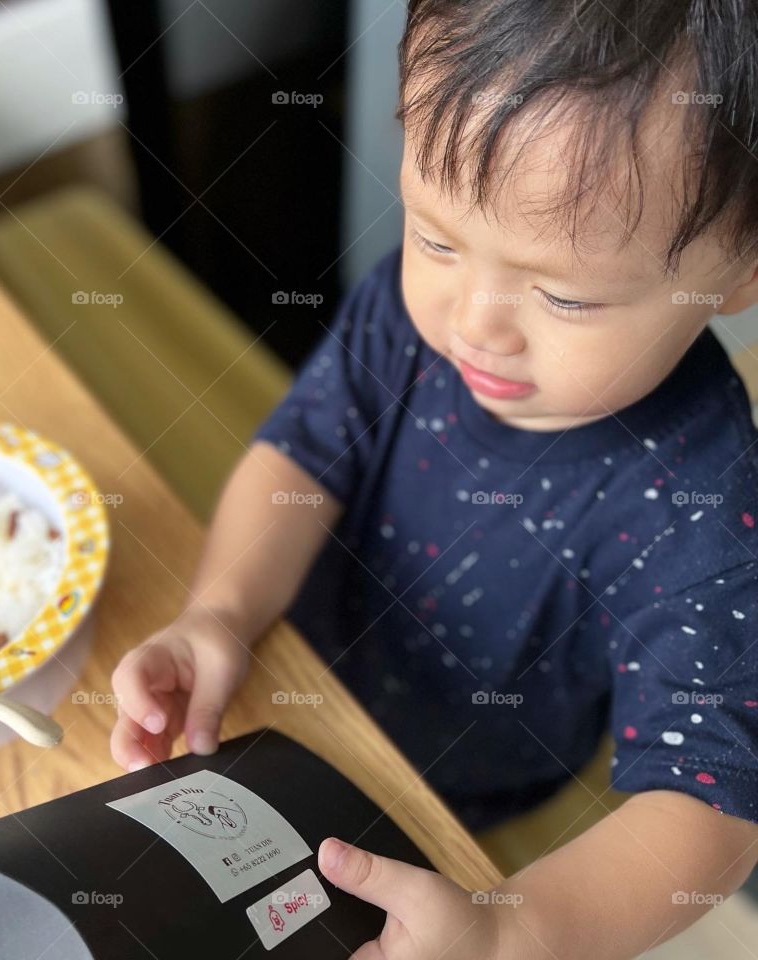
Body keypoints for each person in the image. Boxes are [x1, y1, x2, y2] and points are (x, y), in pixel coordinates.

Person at [111, 1, 758, 956]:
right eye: (438, 238)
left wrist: (511, 934)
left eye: (566, 295)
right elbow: (300, 452)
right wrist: (220, 610)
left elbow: (709, 812)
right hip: (285, 677)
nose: (475, 323)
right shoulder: (412, 317)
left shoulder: (702, 498)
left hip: (458, 788)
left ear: (740, 270)